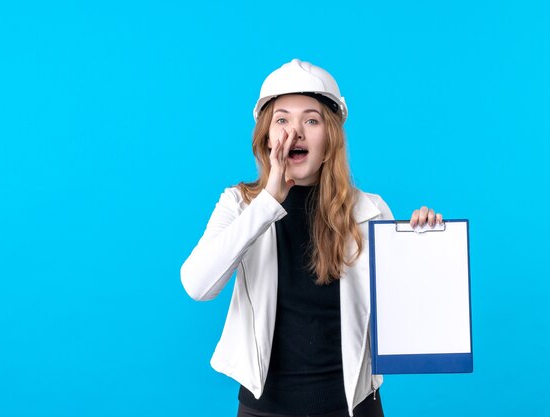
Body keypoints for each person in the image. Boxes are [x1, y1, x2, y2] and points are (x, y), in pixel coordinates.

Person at [180, 59, 443, 417]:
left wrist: (423, 246)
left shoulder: (370, 210)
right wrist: (269, 200)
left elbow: (406, 315)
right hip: (264, 410)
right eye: (282, 119)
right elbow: (198, 285)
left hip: (354, 408)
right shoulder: (239, 204)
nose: (296, 132)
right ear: (267, 137)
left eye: (312, 120)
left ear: (330, 138)